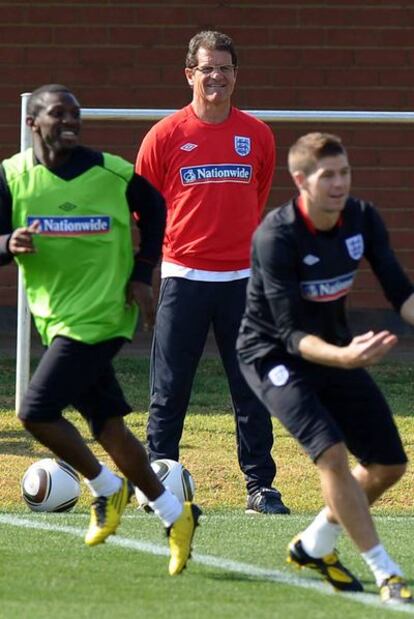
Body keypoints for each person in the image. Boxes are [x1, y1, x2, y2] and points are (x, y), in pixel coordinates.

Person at [0, 84, 201, 576]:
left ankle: (108, 490)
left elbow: (156, 210)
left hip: (107, 313)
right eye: (57, 113)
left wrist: (141, 272)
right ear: (33, 123)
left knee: (33, 411)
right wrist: (8, 241)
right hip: (57, 318)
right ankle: (176, 516)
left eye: (75, 113)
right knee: (109, 427)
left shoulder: (112, 171)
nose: (70, 120)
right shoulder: (12, 177)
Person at [236, 131, 414, 603]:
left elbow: (400, 292)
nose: (339, 184)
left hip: (333, 350)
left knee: (388, 465)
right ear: (300, 181)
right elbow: (291, 334)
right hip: (271, 356)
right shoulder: (276, 236)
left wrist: (344, 355)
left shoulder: (361, 218)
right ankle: (386, 571)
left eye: (345, 173)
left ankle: (313, 545)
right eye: (327, 175)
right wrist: (347, 357)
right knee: (332, 455)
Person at [135, 30, 289, 515]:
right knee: (169, 387)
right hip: (184, 278)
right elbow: (143, 208)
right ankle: (158, 480)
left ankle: (260, 487)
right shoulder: (165, 135)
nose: (216, 76)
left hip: (243, 282)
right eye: (207, 68)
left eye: (224, 68)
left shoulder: (258, 135)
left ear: (235, 74)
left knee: (251, 388)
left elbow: (256, 195)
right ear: (190, 74)